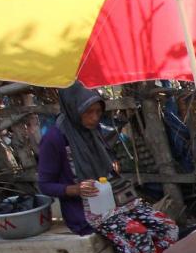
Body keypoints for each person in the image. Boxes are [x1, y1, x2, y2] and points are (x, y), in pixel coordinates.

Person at [38, 82, 135, 236]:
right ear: (74, 110)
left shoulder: (92, 131)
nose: (95, 118)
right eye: (88, 112)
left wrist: (110, 165)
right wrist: (75, 189)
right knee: (140, 234)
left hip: (113, 203)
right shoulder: (54, 139)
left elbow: (104, 159)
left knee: (164, 226)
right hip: (84, 215)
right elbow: (45, 185)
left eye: (98, 112)